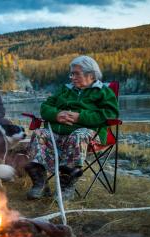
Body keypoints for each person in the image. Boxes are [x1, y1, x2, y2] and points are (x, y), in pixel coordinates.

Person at [25, 55, 119, 201]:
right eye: (71, 73)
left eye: (76, 74)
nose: (72, 77)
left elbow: (110, 114)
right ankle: (41, 183)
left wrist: (79, 117)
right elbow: (45, 107)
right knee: (39, 133)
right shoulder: (65, 90)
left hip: (89, 135)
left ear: (91, 75)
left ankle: (66, 185)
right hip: (58, 132)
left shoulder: (103, 91)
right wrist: (56, 115)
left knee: (78, 135)